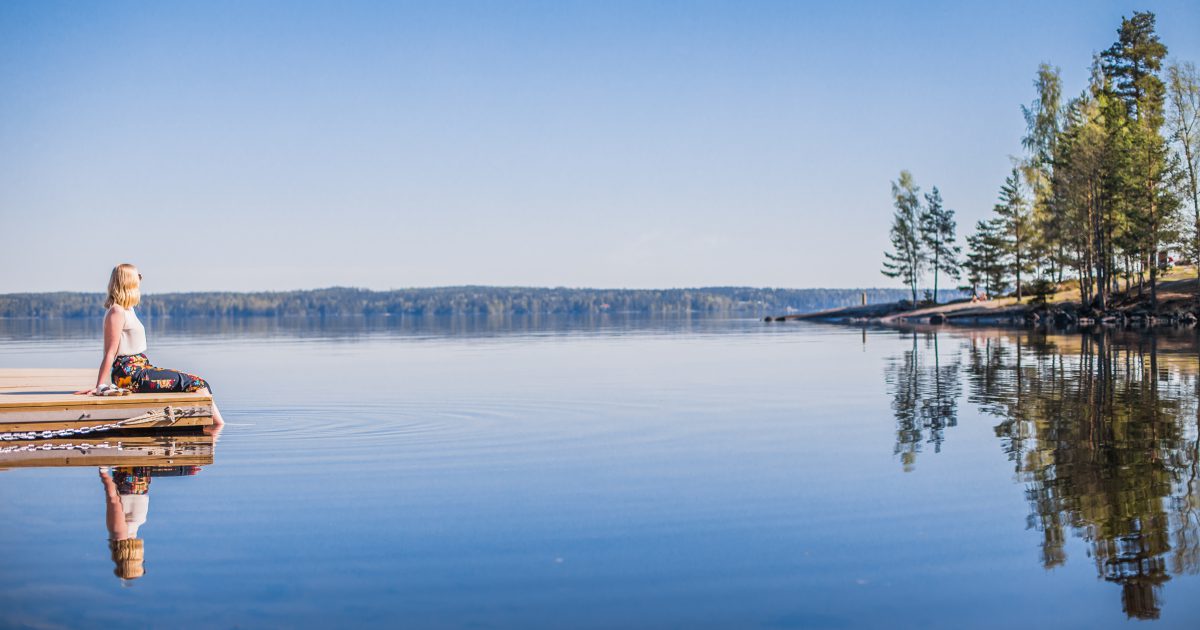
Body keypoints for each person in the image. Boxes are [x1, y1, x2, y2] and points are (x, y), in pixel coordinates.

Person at [74, 263, 225, 426]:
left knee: (200, 384)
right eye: (137, 277)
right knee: (197, 384)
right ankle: (218, 428)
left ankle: (212, 425)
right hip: (130, 374)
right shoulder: (116, 312)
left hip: (141, 368)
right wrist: (99, 386)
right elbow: (110, 353)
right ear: (129, 282)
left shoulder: (127, 309)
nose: (140, 280)